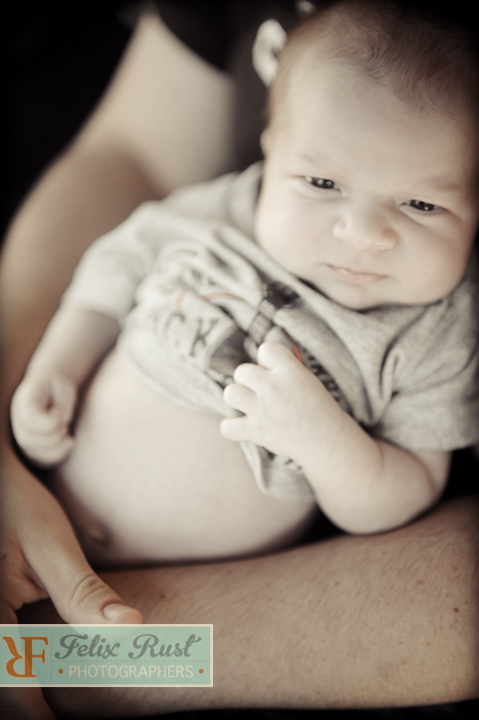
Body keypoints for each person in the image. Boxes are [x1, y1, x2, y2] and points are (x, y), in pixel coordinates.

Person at [1, 1, 478, 718]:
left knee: (18, 673)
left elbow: (407, 490)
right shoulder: (229, 207)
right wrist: (55, 367)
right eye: (322, 184)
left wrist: (325, 441)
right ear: (269, 149)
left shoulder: (437, 333)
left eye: (420, 204)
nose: (362, 232)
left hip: (194, 599)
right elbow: (117, 261)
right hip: (36, 491)